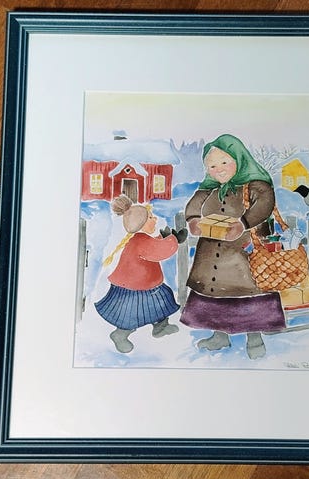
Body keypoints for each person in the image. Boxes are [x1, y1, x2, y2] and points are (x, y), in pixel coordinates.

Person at [180, 134, 286, 359]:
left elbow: (265, 204)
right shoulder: (209, 188)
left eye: (224, 162)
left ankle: (254, 337)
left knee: (249, 293)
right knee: (215, 294)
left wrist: (243, 224)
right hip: (212, 252)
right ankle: (219, 336)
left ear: (239, 159)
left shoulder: (256, 185)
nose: (218, 169)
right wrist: (193, 219)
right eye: (212, 166)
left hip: (244, 252)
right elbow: (194, 204)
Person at [95, 195, 186, 353]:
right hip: (133, 290)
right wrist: (173, 240)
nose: (155, 219)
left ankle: (161, 326)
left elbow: (154, 245)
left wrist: (163, 238)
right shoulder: (141, 241)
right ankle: (120, 334)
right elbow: (159, 251)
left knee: (161, 302)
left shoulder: (141, 239)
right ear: (141, 224)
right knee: (130, 313)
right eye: (150, 217)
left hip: (148, 286)